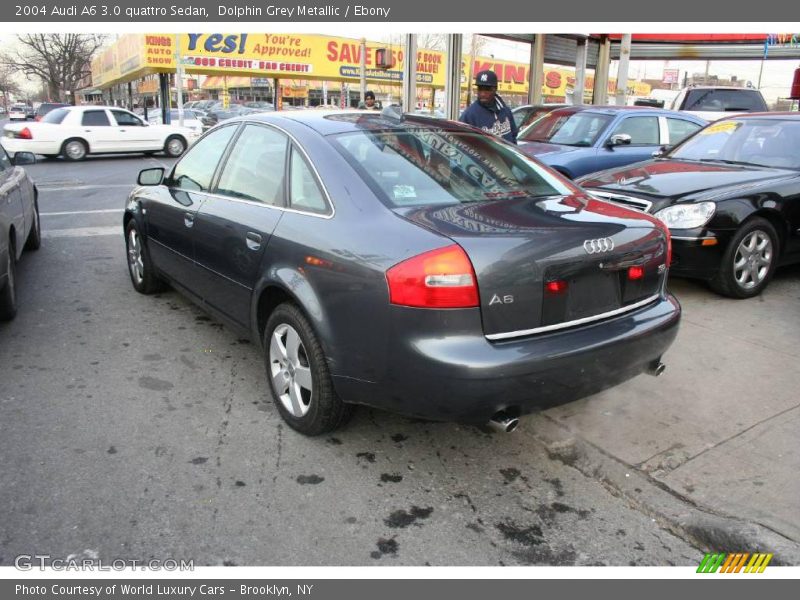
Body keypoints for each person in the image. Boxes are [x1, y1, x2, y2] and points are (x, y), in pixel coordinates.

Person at [459, 70, 518, 144]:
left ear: (495, 89)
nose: (483, 93)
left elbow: (513, 135)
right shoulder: (469, 115)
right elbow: (462, 144)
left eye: (487, 89)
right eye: (480, 89)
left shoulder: (505, 109)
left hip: (506, 155)